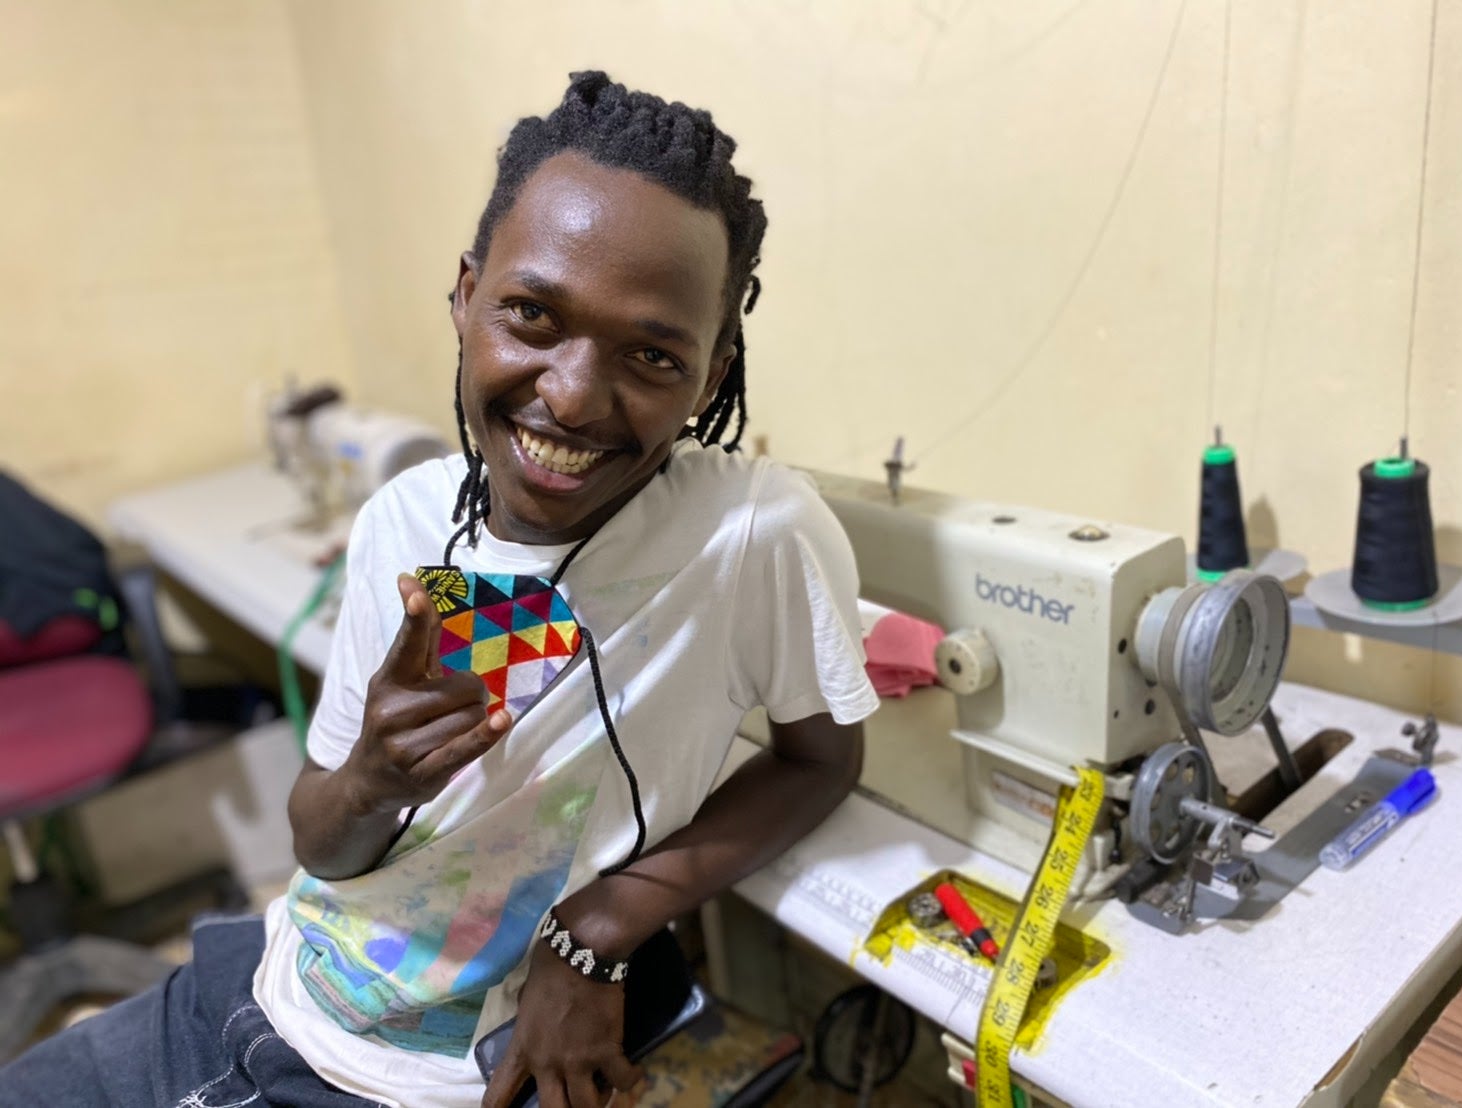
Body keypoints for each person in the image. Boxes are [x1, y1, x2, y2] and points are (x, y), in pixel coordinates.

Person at [0, 70, 878, 1108]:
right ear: (466, 295)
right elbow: (322, 845)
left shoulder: (751, 534)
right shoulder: (404, 523)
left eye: (650, 353)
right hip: (274, 978)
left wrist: (598, 928)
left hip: (423, 1076)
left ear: (713, 373)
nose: (571, 398)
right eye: (531, 314)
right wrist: (372, 777)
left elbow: (820, 759)